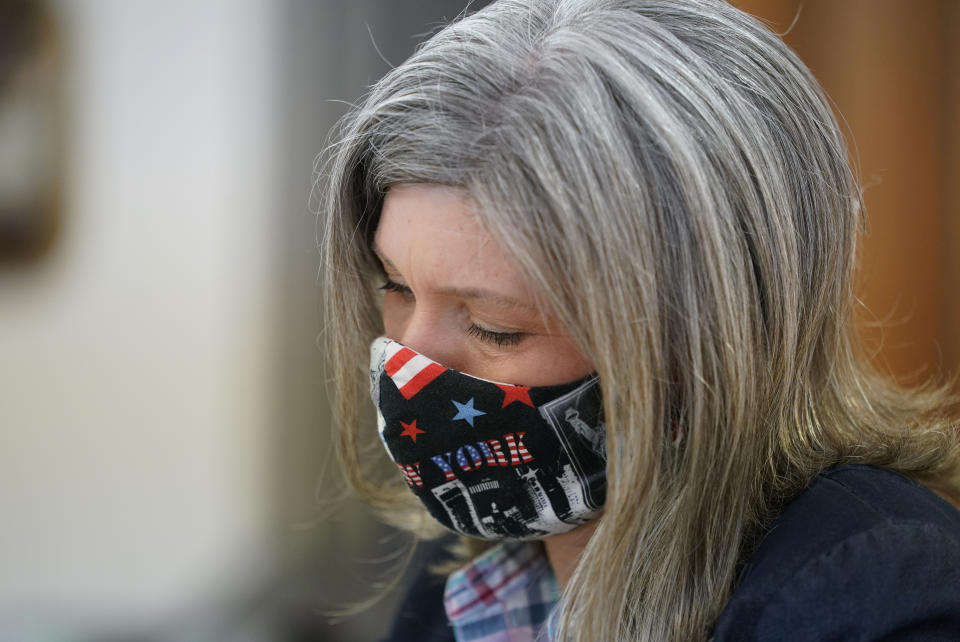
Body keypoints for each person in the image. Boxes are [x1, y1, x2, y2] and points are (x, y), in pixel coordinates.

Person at [315, 0, 960, 639]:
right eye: (394, 286)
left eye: (495, 326)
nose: (410, 360)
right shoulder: (474, 559)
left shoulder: (877, 600)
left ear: (699, 335)